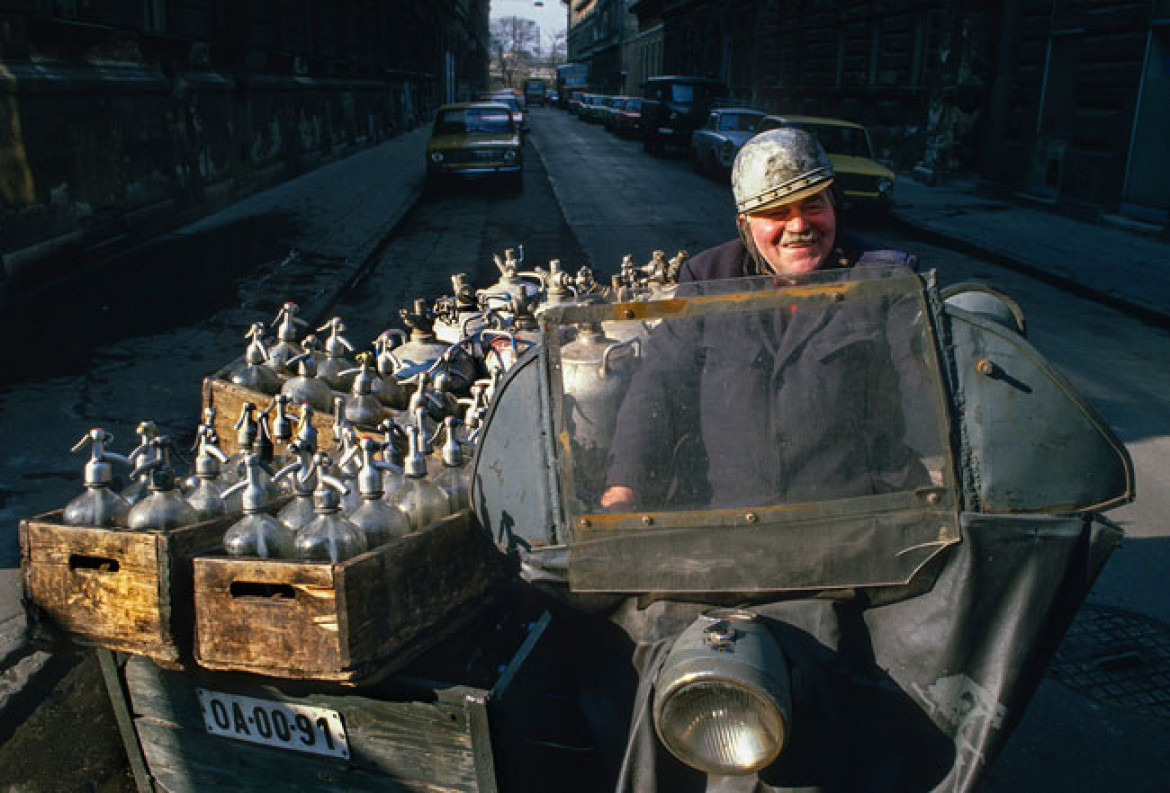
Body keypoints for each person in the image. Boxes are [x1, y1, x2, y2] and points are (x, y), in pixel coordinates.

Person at [598, 127, 929, 511]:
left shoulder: (884, 281)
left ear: (834, 205)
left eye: (813, 205)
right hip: (733, 524)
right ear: (746, 227)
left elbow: (923, 391)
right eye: (776, 212)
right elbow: (658, 386)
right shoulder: (708, 278)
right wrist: (624, 486)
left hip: (855, 526)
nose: (799, 225)